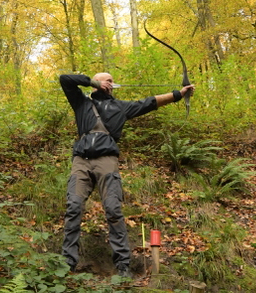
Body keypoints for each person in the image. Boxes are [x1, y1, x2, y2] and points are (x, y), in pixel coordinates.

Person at [59, 71, 195, 277]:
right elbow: (65, 79)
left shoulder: (120, 107)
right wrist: (93, 82)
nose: (110, 83)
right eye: (106, 80)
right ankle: (67, 262)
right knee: (74, 206)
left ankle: (122, 265)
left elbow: (150, 102)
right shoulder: (81, 103)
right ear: (96, 84)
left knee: (113, 209)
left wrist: (178, 94)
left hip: (107, 160)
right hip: (81, 161)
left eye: (112, 81)